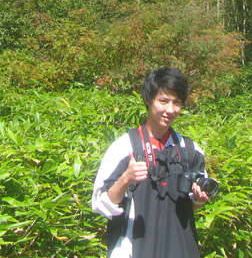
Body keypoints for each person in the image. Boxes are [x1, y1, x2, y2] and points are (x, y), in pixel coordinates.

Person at [91, 67, 212, 258]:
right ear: (148, 99)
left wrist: (199, 199)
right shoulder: (124, 147)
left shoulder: (190, 150)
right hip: (133, 249)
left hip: (180, 248)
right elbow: (102, 204)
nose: (170, 110)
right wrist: (126, 179)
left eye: (176, 102)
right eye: (163, 101)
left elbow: (189, 207)